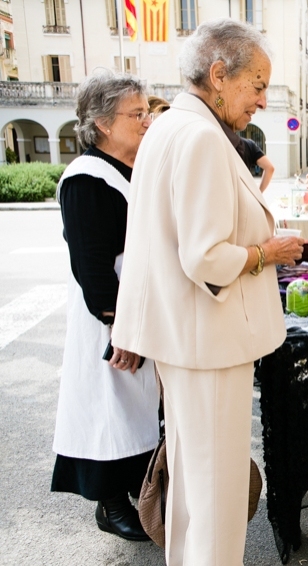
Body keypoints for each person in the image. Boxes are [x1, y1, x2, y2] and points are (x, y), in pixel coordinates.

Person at [111, 19, 305, 565]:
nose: (263, 101)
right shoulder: (198, 136)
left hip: (191, 342)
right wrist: (270, 252)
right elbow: (204, 257)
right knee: (215, 501)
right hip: (209, 344)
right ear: (219, 75)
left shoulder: (175, 127)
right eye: (258, 85)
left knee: (195, 494)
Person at [51, 70, 157, 542]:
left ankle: (138, 492)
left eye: (146, 111)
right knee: (108, 413)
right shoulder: (86, 179)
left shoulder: (129, 170)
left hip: (136, 311)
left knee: (135, 410)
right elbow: (92, 267)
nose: (147, 120)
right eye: (136, 114)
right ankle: (109, 505)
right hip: (109, 319)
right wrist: (122, 329)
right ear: (103, 124)